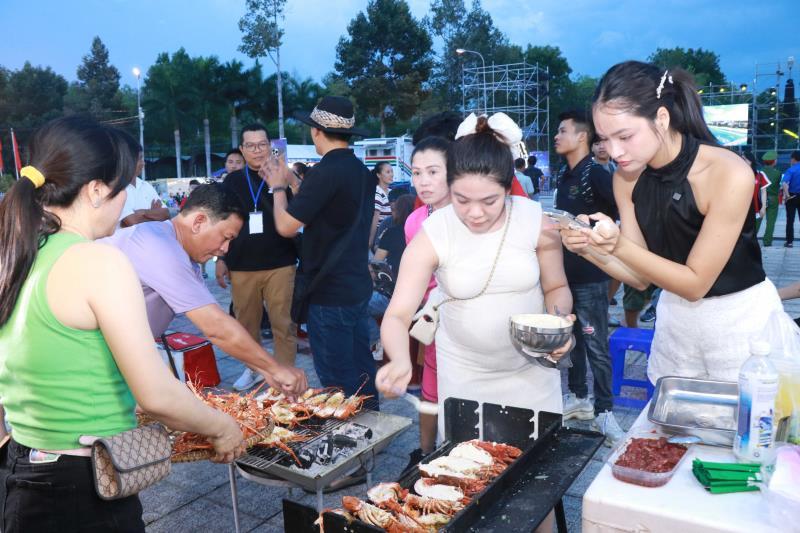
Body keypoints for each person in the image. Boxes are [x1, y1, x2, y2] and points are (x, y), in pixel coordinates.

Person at [0, 117, 245, 532]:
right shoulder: (97, 260)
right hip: (83, 491)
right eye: (124, 187)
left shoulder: (18, 252)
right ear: (96, 190)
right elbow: (155, 393)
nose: (127, 200)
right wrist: (224, 429)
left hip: (23, 471)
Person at [376, 115, 573, 533]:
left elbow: (556, 286)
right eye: (463, 199)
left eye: (490, 200)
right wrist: (397, 359)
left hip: (530, 374)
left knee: (535, 491)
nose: (476, 213)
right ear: (450, 186)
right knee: (467, 488)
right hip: (464, 378)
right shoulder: (435, 232)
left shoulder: (534, 220)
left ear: (509, 187)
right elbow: (397, 313)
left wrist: (558, 328)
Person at [562, 60, 783, 384]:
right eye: (605, 139)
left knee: (748, 426)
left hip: (741, 323)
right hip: (677, 321)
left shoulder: (727, 172)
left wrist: (617, 244)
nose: (614, 151)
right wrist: (589, 247)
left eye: (625, 136)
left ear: (661, 118)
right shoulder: (626, 179)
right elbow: (638, 276)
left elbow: (695, 284)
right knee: (670, 428)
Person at [102, 182, 307, 397]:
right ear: (199, 221)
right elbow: (215, 326)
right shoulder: (157, 245)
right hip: (92, 361)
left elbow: (217, 319)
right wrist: (274, 368)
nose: (225, 248)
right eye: (226, 237)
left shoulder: (182, 255)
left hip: (117, 360)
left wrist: (266, 369)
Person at [263, 96, 378, 400]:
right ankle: (371, 421)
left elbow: (287, 226)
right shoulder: (361, 171)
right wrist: (295, 182)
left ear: (316, 132)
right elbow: (329, 208)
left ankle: (349, 433)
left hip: (329, 292)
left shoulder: (325, 172)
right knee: (362, 365)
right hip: (356, 284)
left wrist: (278, 187)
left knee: (336, 377)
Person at [553, 109, 622, 444]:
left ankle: (605, 411)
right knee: (573, 342)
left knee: (597, 345)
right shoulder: (564, 176)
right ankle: (579, 398)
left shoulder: (594, 173)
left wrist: (595, 231)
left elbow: (622, 210)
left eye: (562, 130)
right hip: (566, 276)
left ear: (582, 136)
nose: (556, 136)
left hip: (593, 275)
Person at [216, 124, 299, 391]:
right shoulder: (232, 181)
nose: (257, 150)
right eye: (250, 145)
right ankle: (254, 369)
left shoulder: (283, 174)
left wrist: (291, 181)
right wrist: (221, 259)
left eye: (262, 144)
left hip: (281, 262)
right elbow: (221, 220)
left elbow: (304, 205)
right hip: (242, 264)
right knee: (247, 325)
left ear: (270, 145)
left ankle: (284, 376)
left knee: (283, 324)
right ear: (242, 149)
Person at [403, 135, 452, 467]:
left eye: (433, 172)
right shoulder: (414, 222)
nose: (423, 181)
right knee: (430, 392)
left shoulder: (471, 216)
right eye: (417, 173)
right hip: (432, 322)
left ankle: (457, 456)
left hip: (469, 322)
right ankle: (423, 454)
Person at [367, 194, 416, 350]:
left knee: (355, 304)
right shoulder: (423, 232)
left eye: (394, 210)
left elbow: (376, 264)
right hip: (419, 297)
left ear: (400, 212)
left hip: (393, 297)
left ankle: (376, 340)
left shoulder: (392, 232)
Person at [118, 145, 169, 227]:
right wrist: (153, 213)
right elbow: (132, 221)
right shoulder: (117, 188)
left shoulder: (146, 186)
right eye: (140, 159)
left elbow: (166, 214)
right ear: (128, 160)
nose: (143, 163)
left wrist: (142, 212)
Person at [370, 162, 394, 247]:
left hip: (389, 233)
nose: (391, 174)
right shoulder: (378, 192)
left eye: (392, 171)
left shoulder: (391, 192)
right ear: (379, 175)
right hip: (380, 236)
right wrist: (371, 240)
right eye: (388, 172)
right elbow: (375, 218)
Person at [760, 150, 781, 246]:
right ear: (774, 161)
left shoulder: (759, 172)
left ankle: (751, 239)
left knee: (757, 219)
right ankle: (767, 241)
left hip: (760, 198)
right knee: (771, 221)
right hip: (773, 199)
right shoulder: (778, 173)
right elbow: (777, 185)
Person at [781, 150, 800, 247]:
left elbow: (784, 183)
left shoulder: (791, 170)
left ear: (793, 159)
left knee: (790, 220)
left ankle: (789, 242)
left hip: (792, 196)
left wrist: (787, 195)